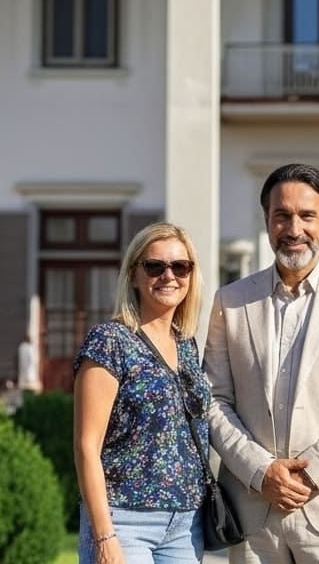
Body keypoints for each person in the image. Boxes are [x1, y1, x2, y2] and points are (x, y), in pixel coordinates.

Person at [203, 163, 319, 564]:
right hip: (251, 508)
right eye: (282, 215)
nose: (294, 229)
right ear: (267, 221)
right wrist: (261, 471)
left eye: (307, 215)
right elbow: (214, 399)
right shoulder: (230, 301)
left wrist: (312, 474)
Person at [73, 222, 211, 564]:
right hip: (124, 519)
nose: (169, 276)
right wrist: (105, 537)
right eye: (155, 266)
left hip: (185, 523)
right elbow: (86, 446)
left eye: (180, 266)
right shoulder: (109, 341)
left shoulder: (187, 345)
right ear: (134, 275)